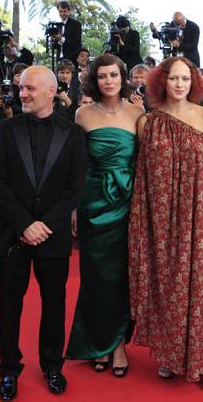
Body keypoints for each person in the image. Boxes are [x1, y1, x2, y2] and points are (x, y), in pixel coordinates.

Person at [128, 56, 203, 389]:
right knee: (167, 285)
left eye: (186, 79)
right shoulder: (147, 122)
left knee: (201, 286)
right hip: (160, 218)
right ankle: (171, 354)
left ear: (194, 82)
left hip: (198, 213)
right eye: (174, 78)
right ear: (162, 81)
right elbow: (143, 177)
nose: (180, 84)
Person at [0, 66, 87, 400]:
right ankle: (9, 370)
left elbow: (75, 187)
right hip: (13, 234)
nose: (23, 94)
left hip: (52, 234)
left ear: (50, 91)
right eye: (21, 88)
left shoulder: (73, 134)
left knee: (54, 304)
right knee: (8, 307)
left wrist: (44, 224)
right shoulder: (6, 129)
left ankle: (52, 366)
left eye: (30, 88)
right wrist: (24, 224)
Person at [65, 54, 143, 378]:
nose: (108, 81)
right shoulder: (83, 114)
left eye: (113, 75)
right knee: (96, 275)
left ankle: (117, 344)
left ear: (122, 78)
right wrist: (73, 207)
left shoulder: (138, 113)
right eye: (102, 76)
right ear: (94, 80)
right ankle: (98, 342)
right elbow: (75, 166)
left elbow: (145, 162)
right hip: (93, 202)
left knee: (122, 275)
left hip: (128, 200)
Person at [53, 1, 83, 66]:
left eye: (64, 11)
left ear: (69, 11)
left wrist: (61, 39)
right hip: (59, 60)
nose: (62, 13)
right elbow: (56, 46)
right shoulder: (57, 26)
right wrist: (53, 40)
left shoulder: (76, 24)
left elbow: (76, 44)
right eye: (60, 11)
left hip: (71, 61)